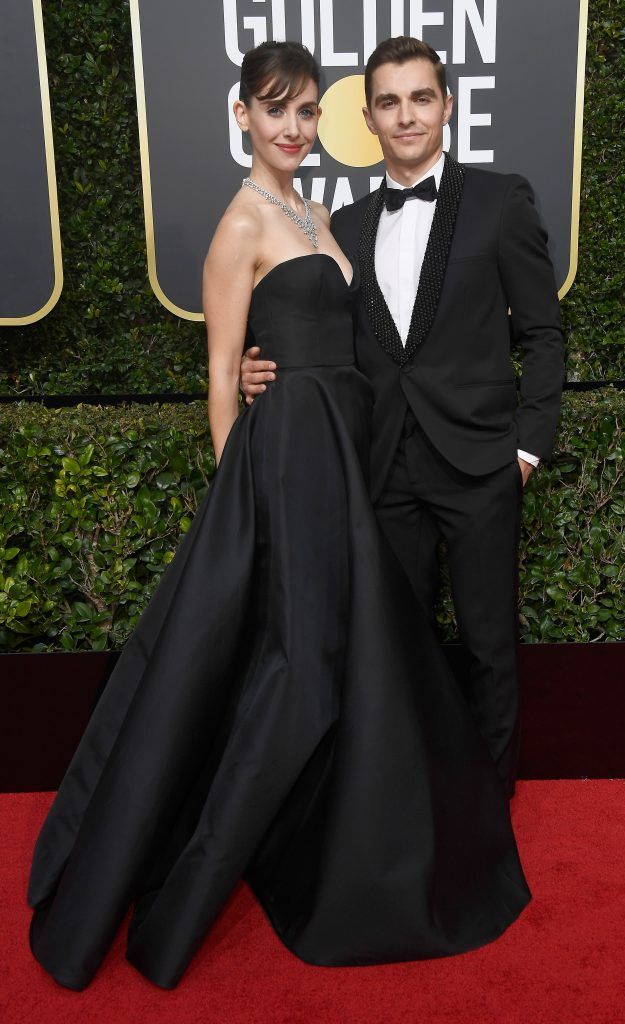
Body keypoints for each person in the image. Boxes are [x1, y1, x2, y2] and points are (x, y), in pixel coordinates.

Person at [27, 41, 530, 992]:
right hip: (291, 466)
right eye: (274, 110)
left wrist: (288, 370)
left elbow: (342, 340)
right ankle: (188, 892)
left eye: (305, 112)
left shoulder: (316, 211)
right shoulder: (239, 225)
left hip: (346, 457)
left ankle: (348, 828)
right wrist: (242, 503)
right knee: (300, 668)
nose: (293, 127)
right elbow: (223, 377)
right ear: (241, 117)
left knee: (348, 652)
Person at [242, 36, 566, 798]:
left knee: (489, 643)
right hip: (384, 463)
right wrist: (262, 370)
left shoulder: (500, 199)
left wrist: (527, 448)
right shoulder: (344, 228)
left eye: (421, 97)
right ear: (368, 117)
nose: (407, 115)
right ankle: (416, 797)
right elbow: (326, 341)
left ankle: (489, 805)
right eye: (389, 101)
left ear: (447, 105)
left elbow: (544, 334)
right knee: (399, 646)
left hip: (482, 458)